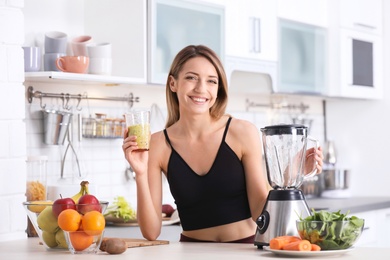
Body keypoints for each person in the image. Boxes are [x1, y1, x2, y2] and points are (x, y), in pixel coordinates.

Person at [122, 45, 323, 243]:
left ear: (218, 89)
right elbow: (151, 232)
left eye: (211, 81)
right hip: (191, 253)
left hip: (244, 251)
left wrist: (290, 176)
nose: (201, 88)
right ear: (173, 83)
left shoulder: (241, 132)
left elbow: (260, 213)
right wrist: (140, 173)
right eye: (191, 78)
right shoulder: (158, 144)